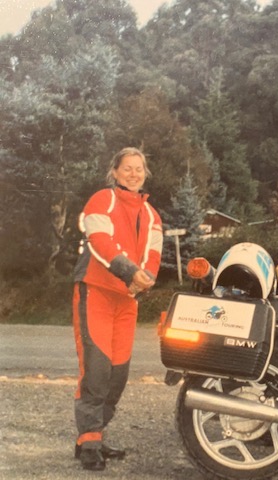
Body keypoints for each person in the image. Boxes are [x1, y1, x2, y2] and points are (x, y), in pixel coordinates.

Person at [71, 147, 163, 471]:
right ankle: (90, 443)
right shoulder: (102, 200)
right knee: (96, 372)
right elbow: (99, 241)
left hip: (126, 300)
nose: (134, 174)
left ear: (145, 172)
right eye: (127, 168)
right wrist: (129, 271)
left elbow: (153, 256)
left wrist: (146, 278)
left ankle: (92, 436)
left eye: (139, 168)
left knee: (117, 376)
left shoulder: (152, 215)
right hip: (95, 292)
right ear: (115, 172)